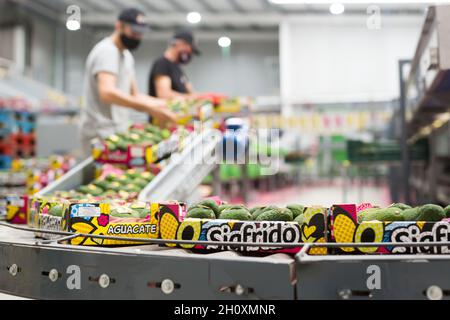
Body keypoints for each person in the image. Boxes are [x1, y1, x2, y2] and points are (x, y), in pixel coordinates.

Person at [79, 8, 177, 157]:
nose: (138, 37)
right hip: (99, 132)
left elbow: (135, 94)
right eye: (134, 31)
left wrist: (165, 105)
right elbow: (107, 93)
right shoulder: (107, 51)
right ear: (119, 26)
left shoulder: (126, 56)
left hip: (117, 130)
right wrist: (148, 108)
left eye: (141, 33)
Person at [148, 29, 201, 99]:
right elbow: (164, 95)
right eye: (189, 50)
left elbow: (191, 92)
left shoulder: (178, 68)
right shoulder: (162, 64)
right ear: (180, 44)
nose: (190, 54)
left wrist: (205, 98)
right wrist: (190, 98)